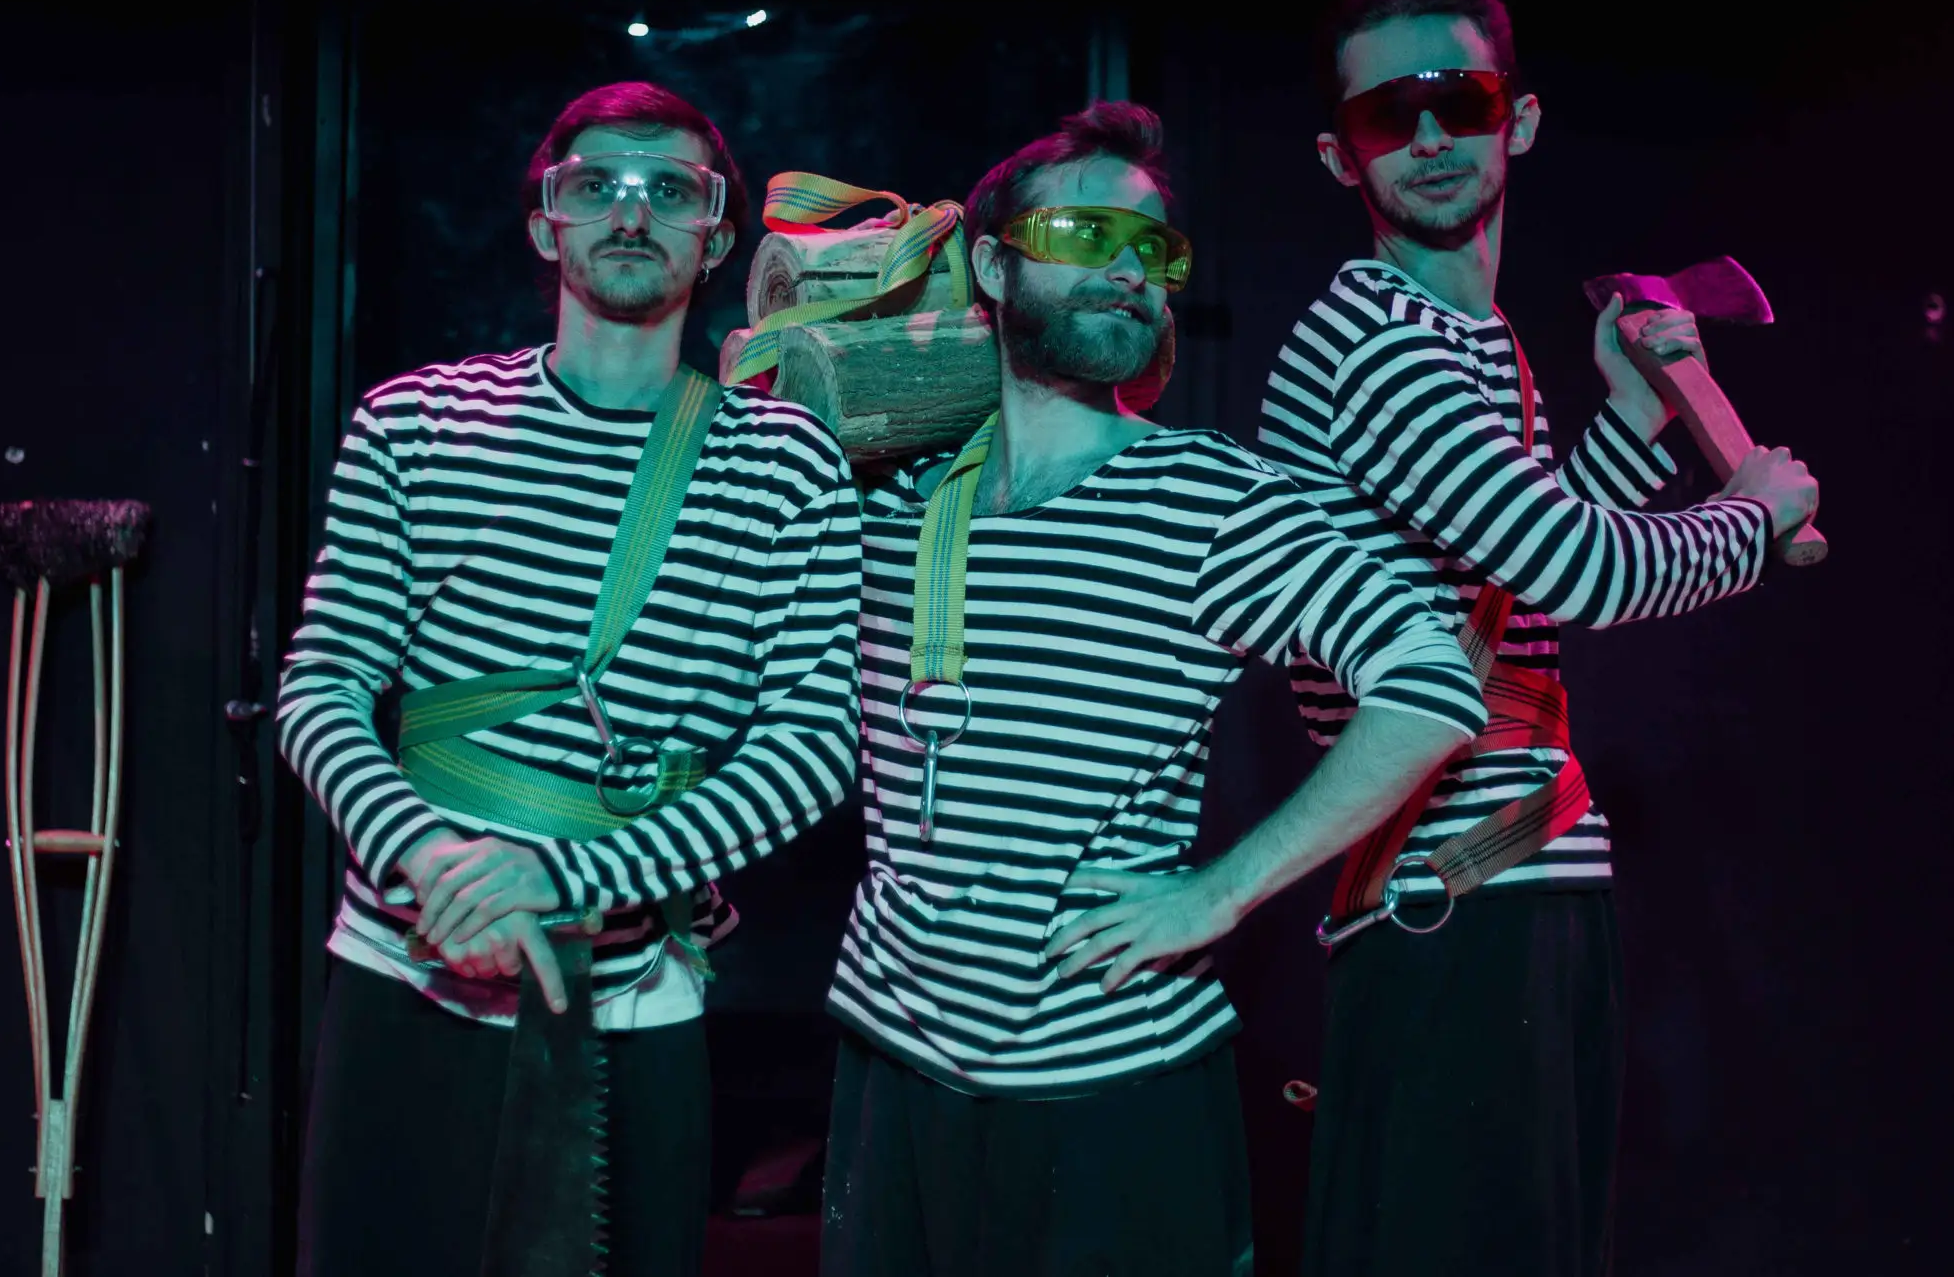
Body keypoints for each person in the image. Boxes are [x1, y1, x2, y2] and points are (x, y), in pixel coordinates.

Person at [510, 101, 1490, 1275]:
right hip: (891, 1072)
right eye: (1087, 235)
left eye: (1152, 251)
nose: (1128, 271)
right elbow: (725, 668)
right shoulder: (888, 504)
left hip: (1113, 1089)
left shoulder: (1213, 500)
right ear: (990, 266)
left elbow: (1433, 683)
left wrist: (1219, 893)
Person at [1256, 0, 1821, 1276]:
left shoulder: (1474, 339)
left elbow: (1511, 593)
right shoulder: (1378, 340)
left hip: (1514, 887)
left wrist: (1628, 410)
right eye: (1388, 115)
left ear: (1519, 120)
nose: (1430, 136)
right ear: (1341, 157)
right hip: (1457, 907)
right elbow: (1577, 569)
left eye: (1459, 101)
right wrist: (1752, 513)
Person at [277, 82, 865, 1277]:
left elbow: (811, 747)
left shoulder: (784, 463)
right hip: (406, 965)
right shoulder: (416, 423)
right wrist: (430, 860)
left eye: (671, 191)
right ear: (546, 225)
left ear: (717, 235)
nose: (630, 213)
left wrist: (561, 875)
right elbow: (321, 684)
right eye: (594, 185)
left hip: (636, 990)